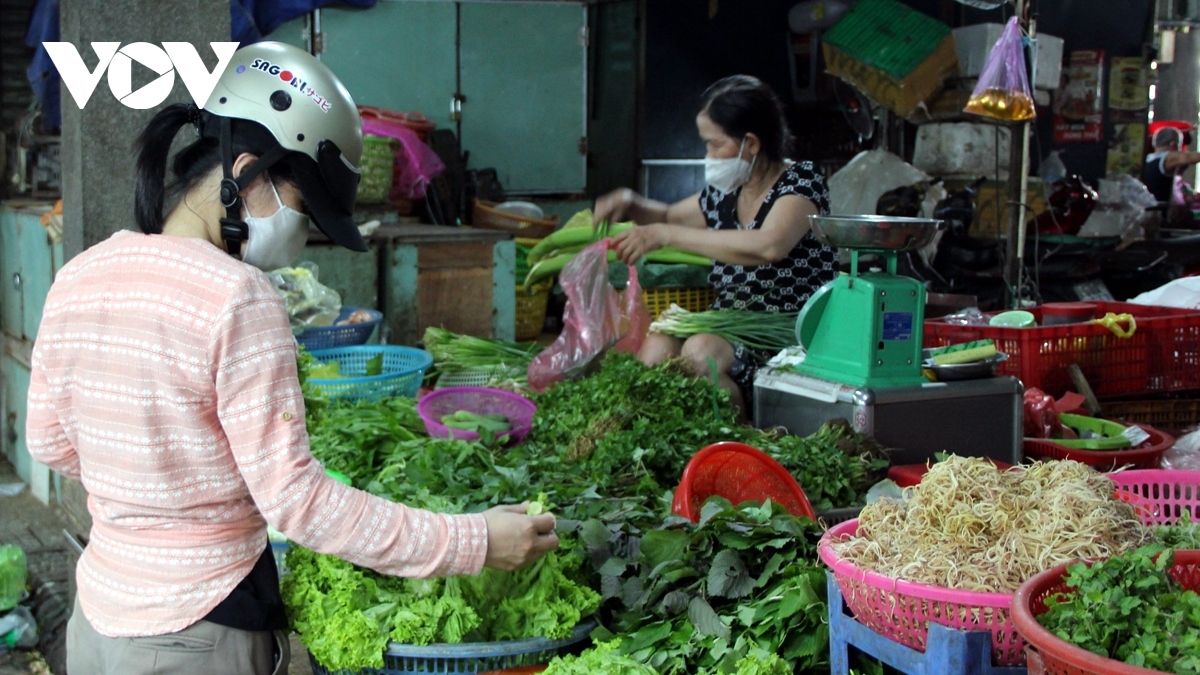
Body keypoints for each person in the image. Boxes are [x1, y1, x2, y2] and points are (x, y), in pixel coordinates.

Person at [26, 42, 557, 675]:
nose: (301, 238)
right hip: (198, 635)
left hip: (98, 622)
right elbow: (297, 504)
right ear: (246, 172)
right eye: (304, 211)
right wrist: (472, 541)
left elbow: (50, 444)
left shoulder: (81, 274)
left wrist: (152, 484)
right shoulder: (238, 297)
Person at [593, 75, 836, 415]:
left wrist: (664, 235)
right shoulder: (726, 192)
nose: (708, 155)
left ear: (750, 143)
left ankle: (738, 448)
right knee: (657, 346)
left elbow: (768, 245)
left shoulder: (801, 182)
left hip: (785, 335)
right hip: (732, 326)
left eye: (715, 144)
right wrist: (631, 203)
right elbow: (668, 214)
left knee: (700, 350)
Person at [1143, 125, 1200, 203]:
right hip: (1162, 211)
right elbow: (1189, 157)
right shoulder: (1166, 158)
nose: (1179, 151)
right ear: (1172, 144)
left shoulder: (1147, 159)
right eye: (1179, 146)